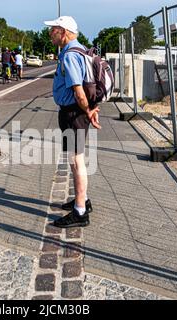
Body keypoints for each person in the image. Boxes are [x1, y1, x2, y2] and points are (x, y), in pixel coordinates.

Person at [44, 16, 101, 228]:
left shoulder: (69, 55)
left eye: (53, 30)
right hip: (77, 113)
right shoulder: (82, 50)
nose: (50, 33)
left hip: (72, 114)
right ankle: (82, 200)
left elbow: (78, 91)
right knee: (75, 158)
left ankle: (80, 212)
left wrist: (87, 111)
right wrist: (90, 110)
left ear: (64, 31)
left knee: (76, 161)